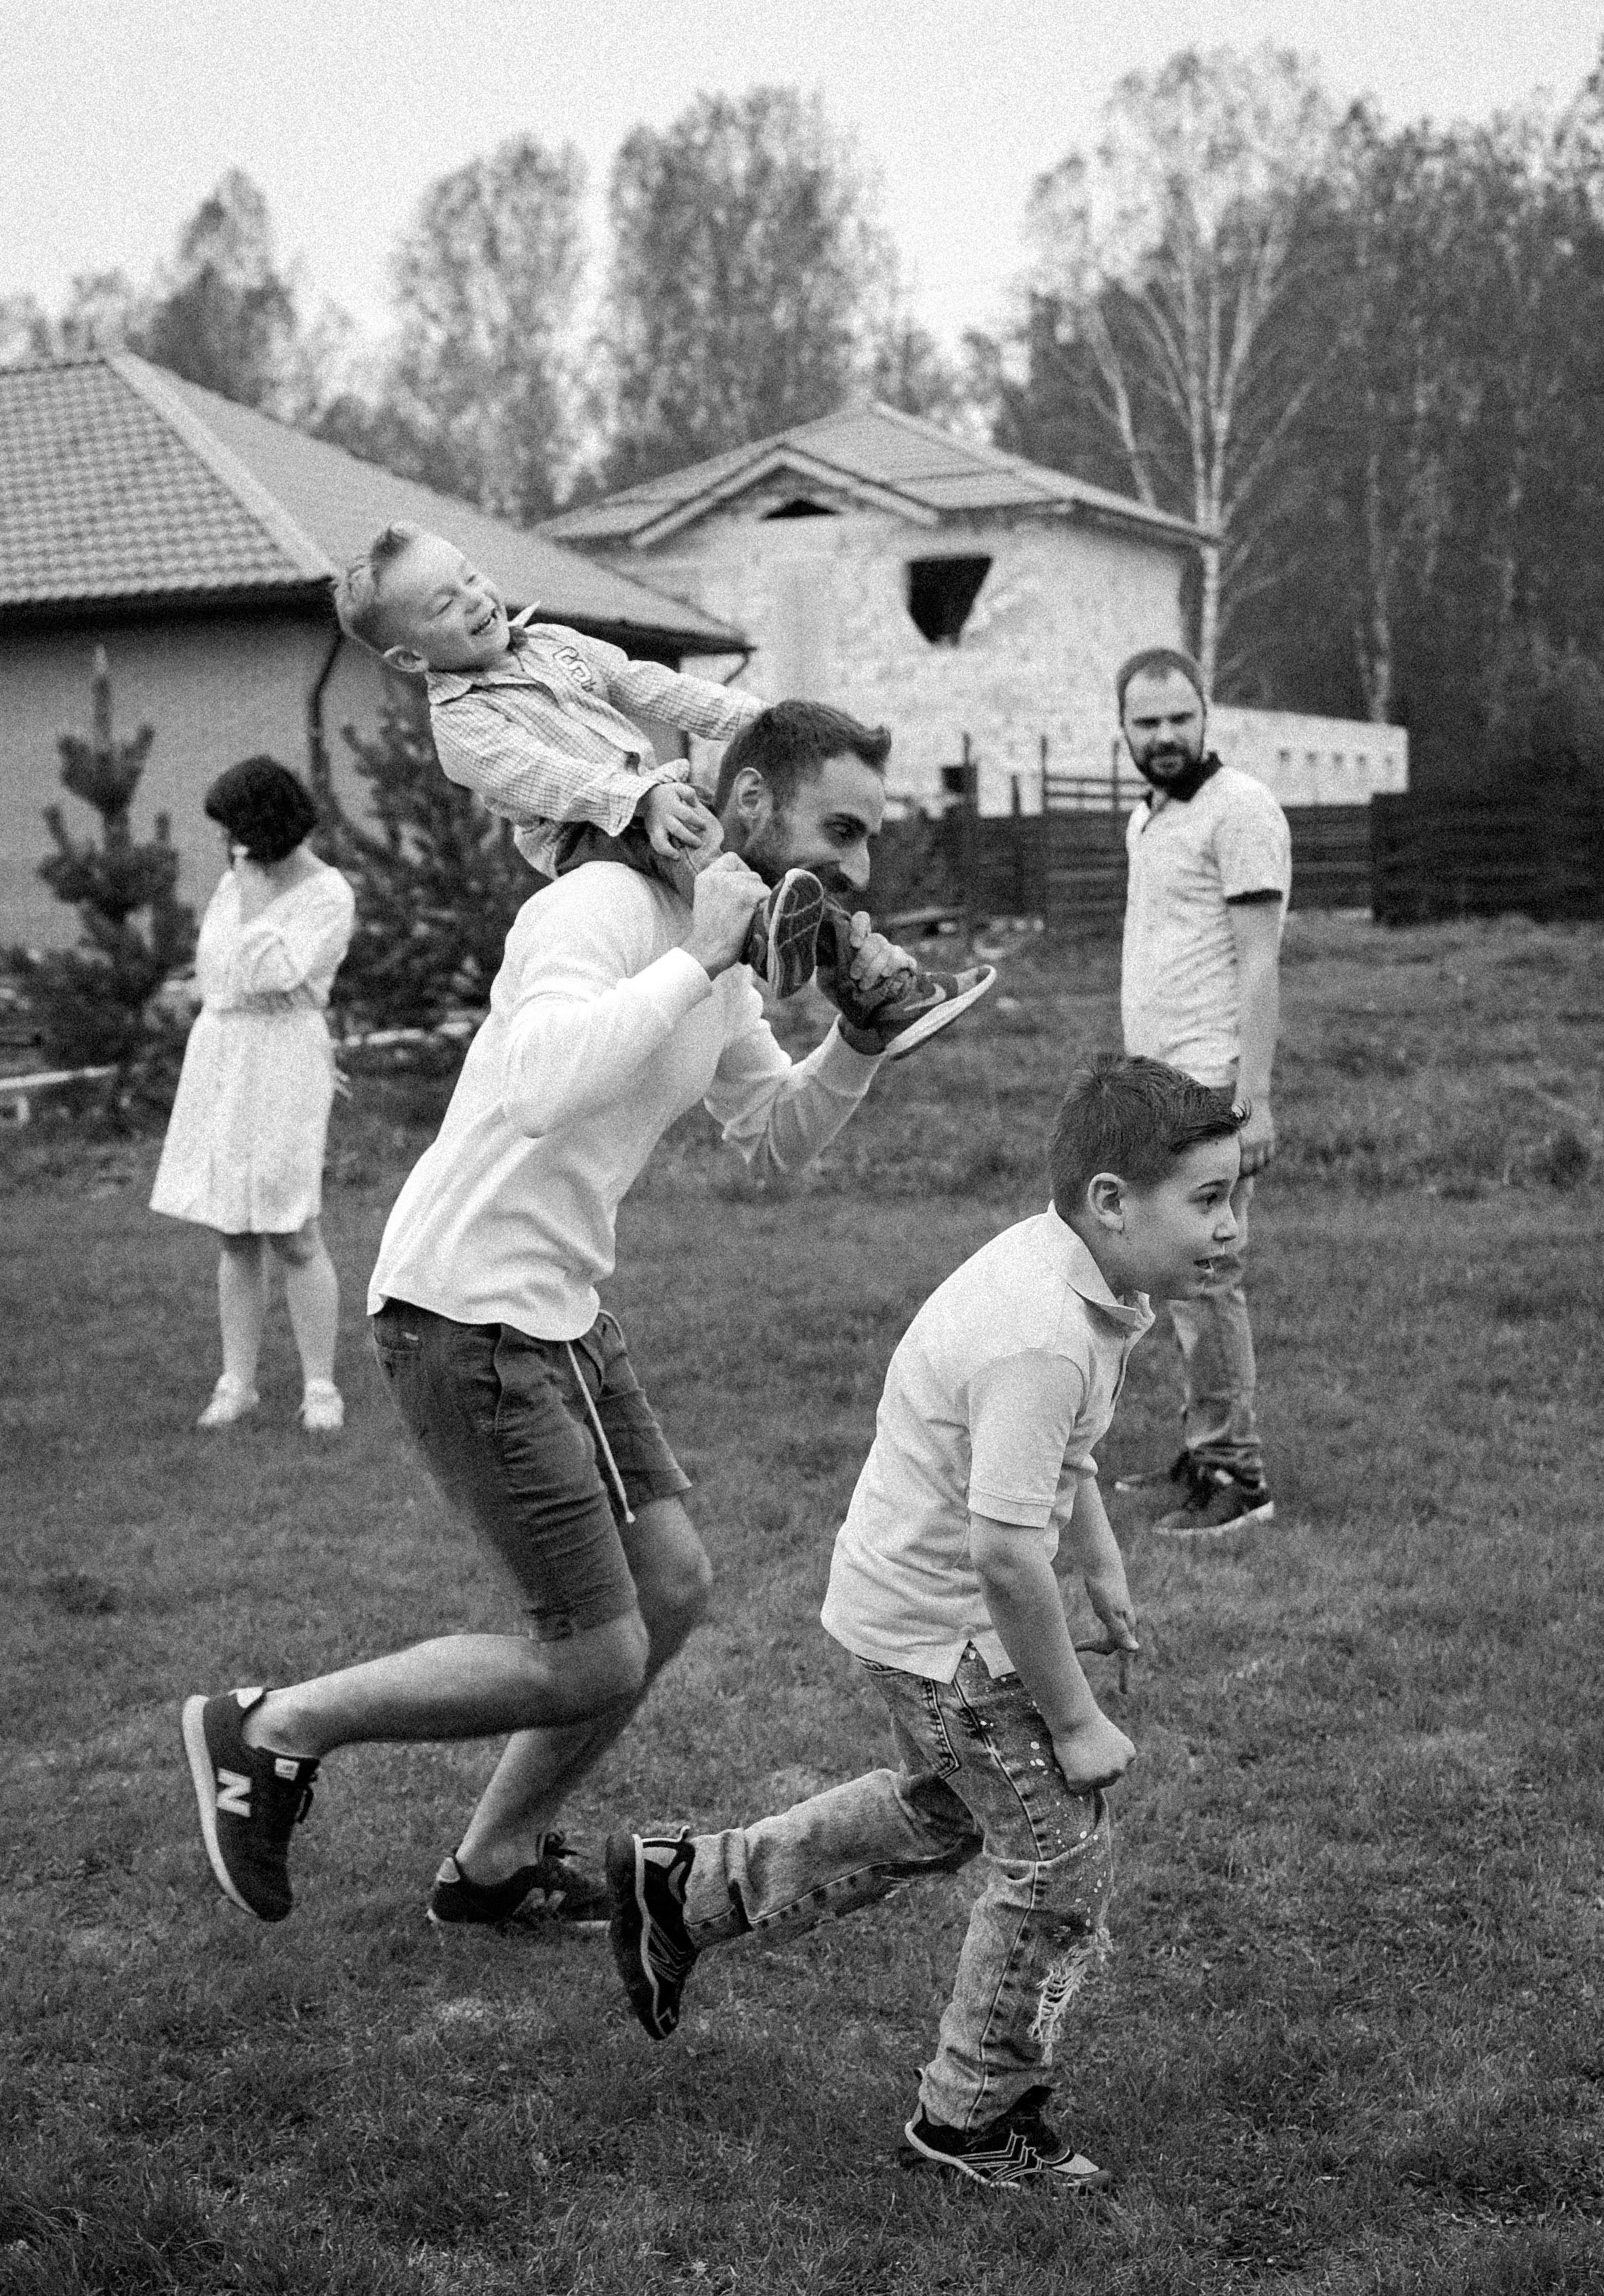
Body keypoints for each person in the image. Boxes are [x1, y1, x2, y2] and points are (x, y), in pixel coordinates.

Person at [180, 701, 929, 1931]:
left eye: (869, 840)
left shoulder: (721, 954)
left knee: (671, 1588)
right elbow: (537, 1084)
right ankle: (264, 1726)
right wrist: (698, 952)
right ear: (748, 809)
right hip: (461, 1305)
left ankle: (490, 1864)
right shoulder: (593, 908)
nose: (858, 868)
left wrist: (856, 1038)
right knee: (591, 1649)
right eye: (838, 829)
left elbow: (772, 1131)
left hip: (558, 1307)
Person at [604, 1057, 1244, 2192]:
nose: (1230, 1227)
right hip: (943, 1625)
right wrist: (1077, 1718)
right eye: (1207, 1200)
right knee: (1059, 1849)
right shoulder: (1040, 1331)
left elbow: (1061, 1463)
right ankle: (973, 2115)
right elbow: (1002, 1555)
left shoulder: (1082, 1274)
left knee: (947, 1810)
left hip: (910, 1604)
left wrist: (1095, 1556)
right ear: (1111, 1200)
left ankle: (690, 1887)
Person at [332, 523, 992, 1054]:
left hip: (654, 795)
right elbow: (543, 774)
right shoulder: (462, 724)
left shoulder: (554, 642)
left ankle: (875, 991)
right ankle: (756, 934)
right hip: (585, 829)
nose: (475, 599)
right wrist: (637, 798)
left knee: (765, 849)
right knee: (691, 832)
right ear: (412, 658)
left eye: (470, 577)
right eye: (445, 604)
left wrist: (759, 721)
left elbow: (650, 685)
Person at [1110, 647, 1291, 1538]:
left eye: (1178, 717)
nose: (1165, 735)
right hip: (1157, 1084)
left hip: (1213, 1079)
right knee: (1180, 1278)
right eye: (1146, 723)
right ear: (1123, 730)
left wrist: (1251, 1098)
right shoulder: (1146, 820)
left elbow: (1258, 962)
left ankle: (1237, 1477)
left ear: (1203, 713)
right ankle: (1202, 1449)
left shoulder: (1241, 811)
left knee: (1208, 1273)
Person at [150, 758, 356, 1432]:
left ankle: (320, 1388)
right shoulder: (232, 880)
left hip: (283, 1058)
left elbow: (272, 974)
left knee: (292, 1227)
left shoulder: (328, 894)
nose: (228, 840)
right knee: (232, 1230)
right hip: (223, 1057)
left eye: (236, 824)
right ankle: (237, 1382)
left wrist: (258, 899)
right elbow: (221, 968)